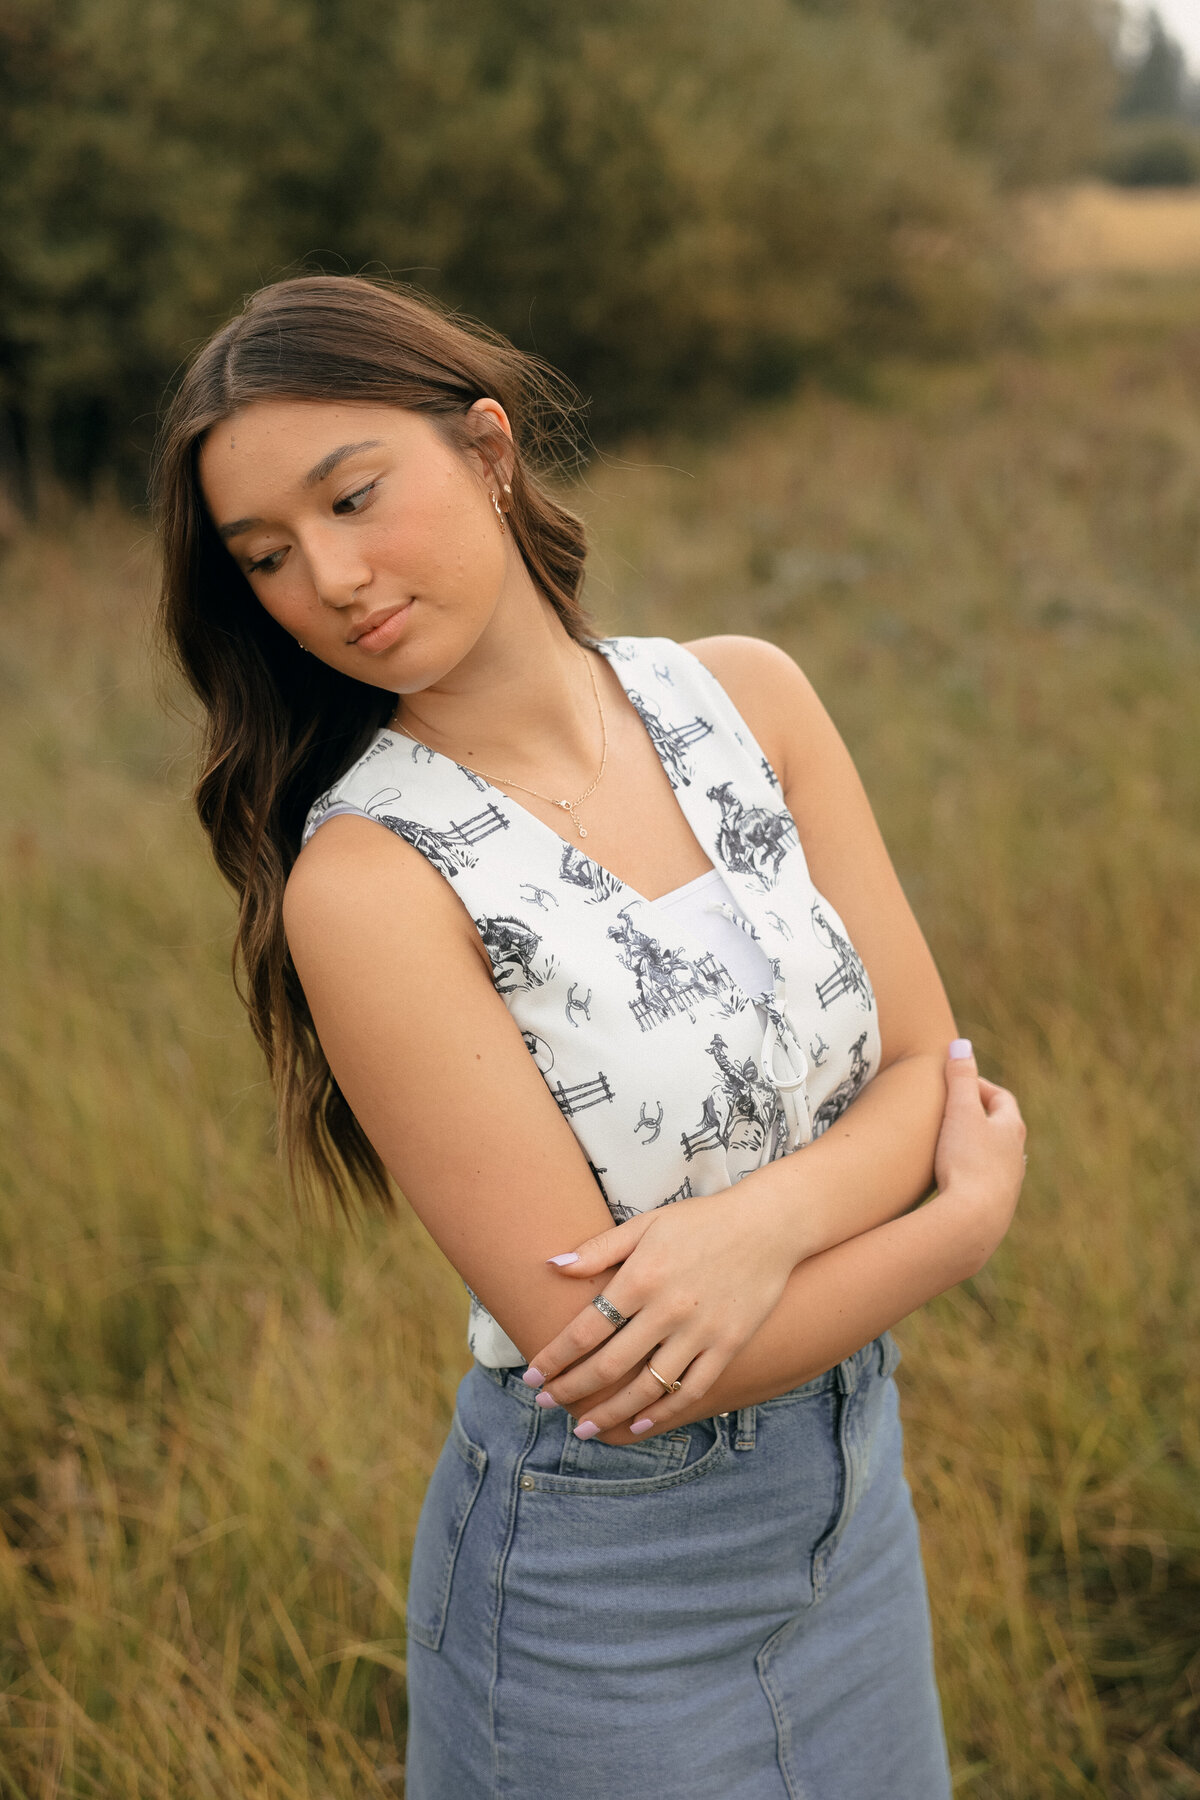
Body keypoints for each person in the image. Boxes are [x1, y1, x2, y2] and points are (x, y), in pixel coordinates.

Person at [153, 273, 1026, 1800]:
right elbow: (619, 1367)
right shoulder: (368, 880)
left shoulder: (747, 699)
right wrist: (956, 1228)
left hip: (855, 1511)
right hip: (598, 1586)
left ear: (488, 449)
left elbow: (917, 1071)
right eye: (271, 558)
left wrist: (761, 1226)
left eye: (355, 497)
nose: (333, 579)